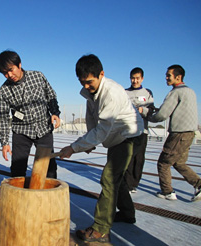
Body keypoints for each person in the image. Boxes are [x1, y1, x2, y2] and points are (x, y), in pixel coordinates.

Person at [60, 54, 143, 244]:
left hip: (129, 135)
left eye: (90, 82)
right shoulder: (90, 92)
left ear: (101, 74)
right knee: (116, 178)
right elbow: (92, 118)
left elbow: (103, 129)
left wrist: (74, 147)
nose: (86, 86)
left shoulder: (111, 92)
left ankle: (100, 230)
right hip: (116, 136)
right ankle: (128, 214)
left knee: (109, 178)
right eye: (83, 82)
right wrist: (89, 143)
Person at [0, 50, 60, 178]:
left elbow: (50, 94)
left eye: (11, 69)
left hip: (44, 128)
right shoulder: (3, 91)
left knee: (49, 167)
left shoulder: (37, 76)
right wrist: (4, 142)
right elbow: (2, 117)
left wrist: (55, 112)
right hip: (21, 131)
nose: (9, 75)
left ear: (19, 64)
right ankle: (19, 196)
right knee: (18, 169)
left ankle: (48, 196)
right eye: (5, 73)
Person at [149, 65, 201, 201]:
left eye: (168, 75)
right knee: (179, 163)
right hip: (189, 133)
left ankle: (167, 192)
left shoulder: (175, 92)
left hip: (178, 134)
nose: (166, 78)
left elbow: (162, 115)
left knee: (163, 163)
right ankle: (199, 185)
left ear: (178, 77)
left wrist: (148, 116)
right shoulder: (190, 91)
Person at [124, 67, 154, 193]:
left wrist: (143, 110)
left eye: (137, 78)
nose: (134, 81)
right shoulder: (124, 92)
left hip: (142, 131)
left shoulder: (147, 92)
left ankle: (135, 182)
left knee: (139, 158)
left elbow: (151, 110)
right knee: (128, 157)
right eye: (132, 78)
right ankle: (128, 184)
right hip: (128, 130)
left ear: (142, 78)